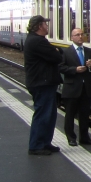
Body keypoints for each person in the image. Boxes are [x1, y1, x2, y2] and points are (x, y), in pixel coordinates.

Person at [23, 15, 63, 156]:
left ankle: (45, 142)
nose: (47, 26)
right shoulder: (37, 42)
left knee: (49, 114)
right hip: (42, 83)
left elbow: (56, 53)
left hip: (44, 82)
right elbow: (57, 57)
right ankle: (36, 145)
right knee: (43, 114)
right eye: (45, 24)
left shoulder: (36, 40)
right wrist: (56, 52)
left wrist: (56, 51)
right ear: (39, 26)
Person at [59, 28, 91, 146]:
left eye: (82, 34)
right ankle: (71, 137)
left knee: (85, 114)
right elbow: (60, 67)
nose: (80, 37)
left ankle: (84, 137)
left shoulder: (89, 51)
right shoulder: (66, 52)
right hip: (72, 88)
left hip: (86, 87)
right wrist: (74, 70)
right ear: (72, 37)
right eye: (77, 35)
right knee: (70, 114)